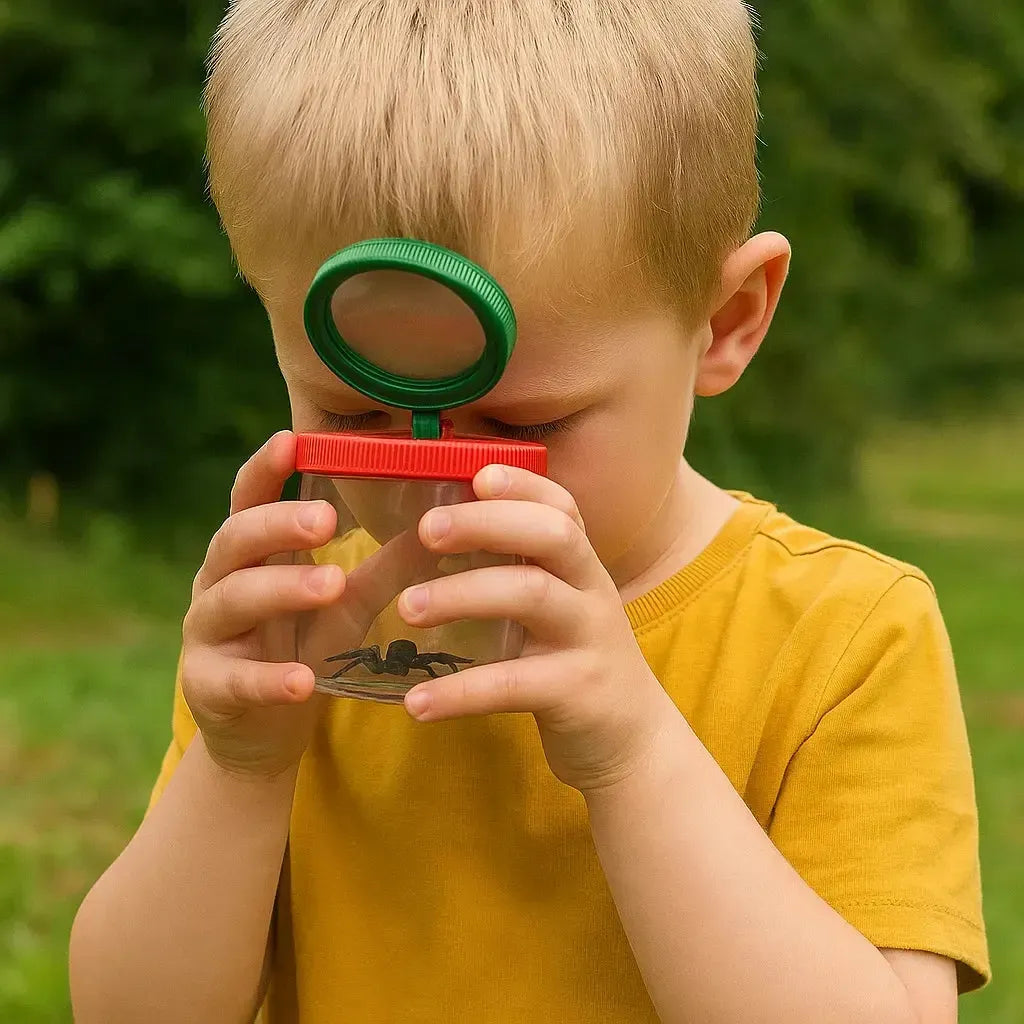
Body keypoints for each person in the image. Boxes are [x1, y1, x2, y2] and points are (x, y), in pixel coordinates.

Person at [69, 2, 989, 1022]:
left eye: (518, 424)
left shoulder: (841, 639)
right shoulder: (302, 630)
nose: (432, 481)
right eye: (352, 409)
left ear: (726, 321)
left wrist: (633, 754)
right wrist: (238, 768)